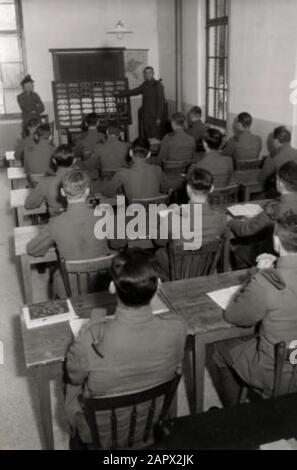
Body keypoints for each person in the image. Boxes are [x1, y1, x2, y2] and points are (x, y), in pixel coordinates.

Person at [65, 247, 187, 448]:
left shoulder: (89, 338)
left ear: (112, 287)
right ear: (158, 286)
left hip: (101, 435)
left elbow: (74, 376)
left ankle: (77, 438)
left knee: (69, 385)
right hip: (150, 424)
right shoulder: (178, 326)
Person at [213, 211, 297, 406]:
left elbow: (234, 316)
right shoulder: (271, 279)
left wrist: (257, 274)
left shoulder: (265, 283)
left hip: (276, 372)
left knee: (221, 350)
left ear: (276, 241)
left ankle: (235, 414)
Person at [26, 169, 121, 297]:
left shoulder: (55, 222)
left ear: (62, 192)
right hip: (103, 283)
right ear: (87, 191)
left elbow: (33, 249)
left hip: (68, 289)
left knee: (55, 276)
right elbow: (117, 244)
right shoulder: (104, 216)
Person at [154, 167, 227, 278]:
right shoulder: (221, 218)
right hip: (205, 269)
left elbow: (159, 241)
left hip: (177, 270)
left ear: (188, 189)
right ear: (212, 188)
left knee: (158, 253)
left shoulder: (172, 217)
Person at [102, 138, 169, 199]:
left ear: (130, 153)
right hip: (154, 210)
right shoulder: (158, 170)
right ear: (149, 154)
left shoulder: (122, 173)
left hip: (132, 211)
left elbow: (107, 193)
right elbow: (165, 189)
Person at [24, 144, 77, 216]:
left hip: (58, 223)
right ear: (74, 161)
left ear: (54, 161)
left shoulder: (46, 182)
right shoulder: (84, 178)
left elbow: (28, 205)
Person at [117, 66, 165, 139]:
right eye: (146, 73)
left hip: (154, 118)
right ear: (144, 75)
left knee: (154, 138)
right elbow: (134, 91)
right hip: (145, 117)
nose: (148, 74)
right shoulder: (145, 84)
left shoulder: (158, 85)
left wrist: (158, 118)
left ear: (153, 73)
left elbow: (161, 103)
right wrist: (119, 93)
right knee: (147, 136)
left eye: (150, 72)